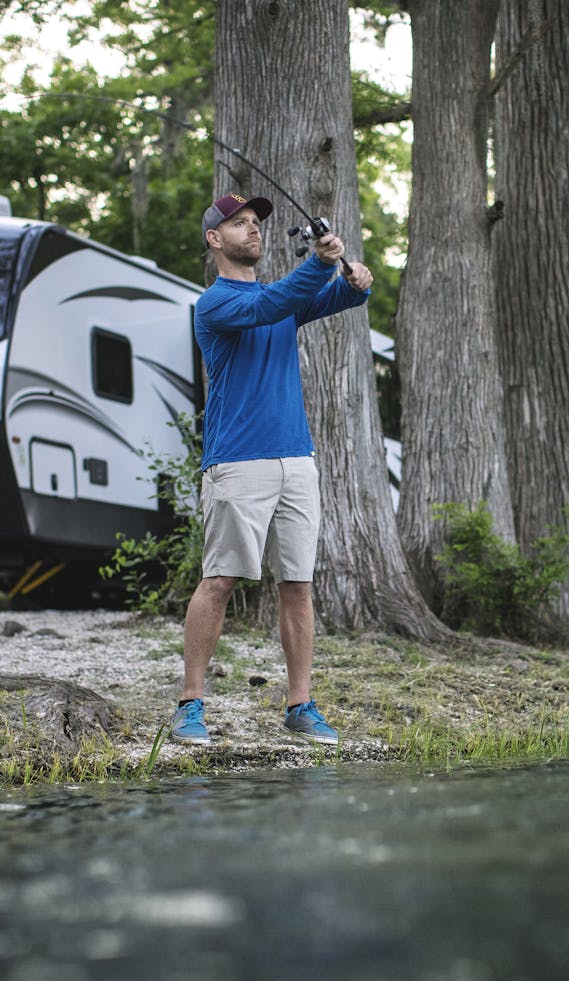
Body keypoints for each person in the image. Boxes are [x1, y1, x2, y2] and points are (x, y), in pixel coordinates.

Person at [170, 192, 372, 747]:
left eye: (257, 223)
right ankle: (190, 704)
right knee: (220, 581)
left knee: (298, 586)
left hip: (297, 461)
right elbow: (271, 305)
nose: (253, 230)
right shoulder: (214, 304)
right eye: (240, 224)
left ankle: (300, 705)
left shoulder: (281, 297)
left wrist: (357, 281)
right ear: (215, 239)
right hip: (238, 463)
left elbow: (339, 300)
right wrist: (321, 264)